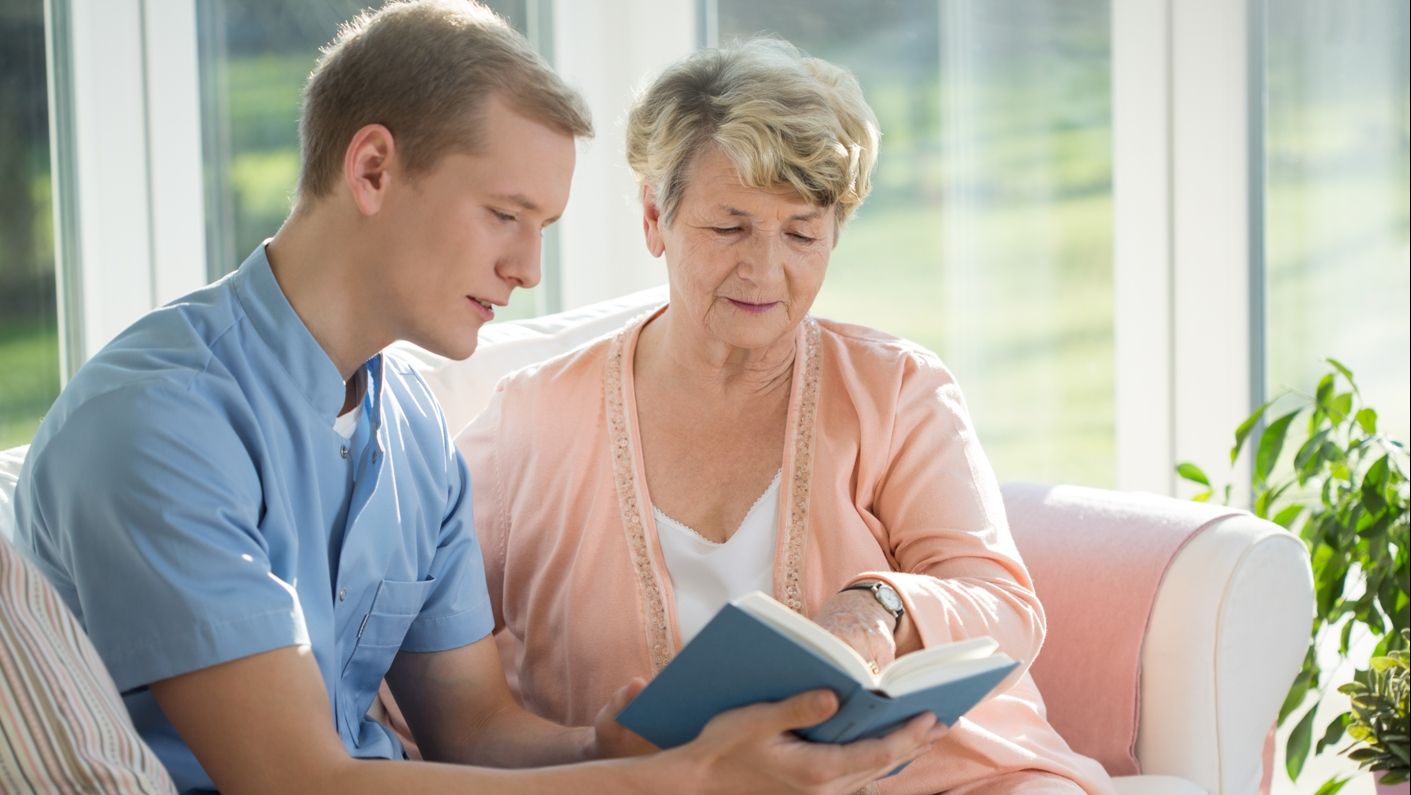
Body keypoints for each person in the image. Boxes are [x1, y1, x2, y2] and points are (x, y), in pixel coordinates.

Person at [11, 3, 945, 793]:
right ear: (371, 169)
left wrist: (613, 745)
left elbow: (477, 731)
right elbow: (297, 780)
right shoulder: (159, 420)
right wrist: (678, 782)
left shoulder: (412, 429)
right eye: (505, 215)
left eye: (542, 227)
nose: (529, 269)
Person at [440, 38, 1117, 794]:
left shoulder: (897, 390)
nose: (764, 271)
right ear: (655, 215)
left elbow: (1004, 605)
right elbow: (423, 652)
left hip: (933, 780)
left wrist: (880, 602)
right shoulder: (529, 420)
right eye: (729, 228)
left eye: (801, 232)